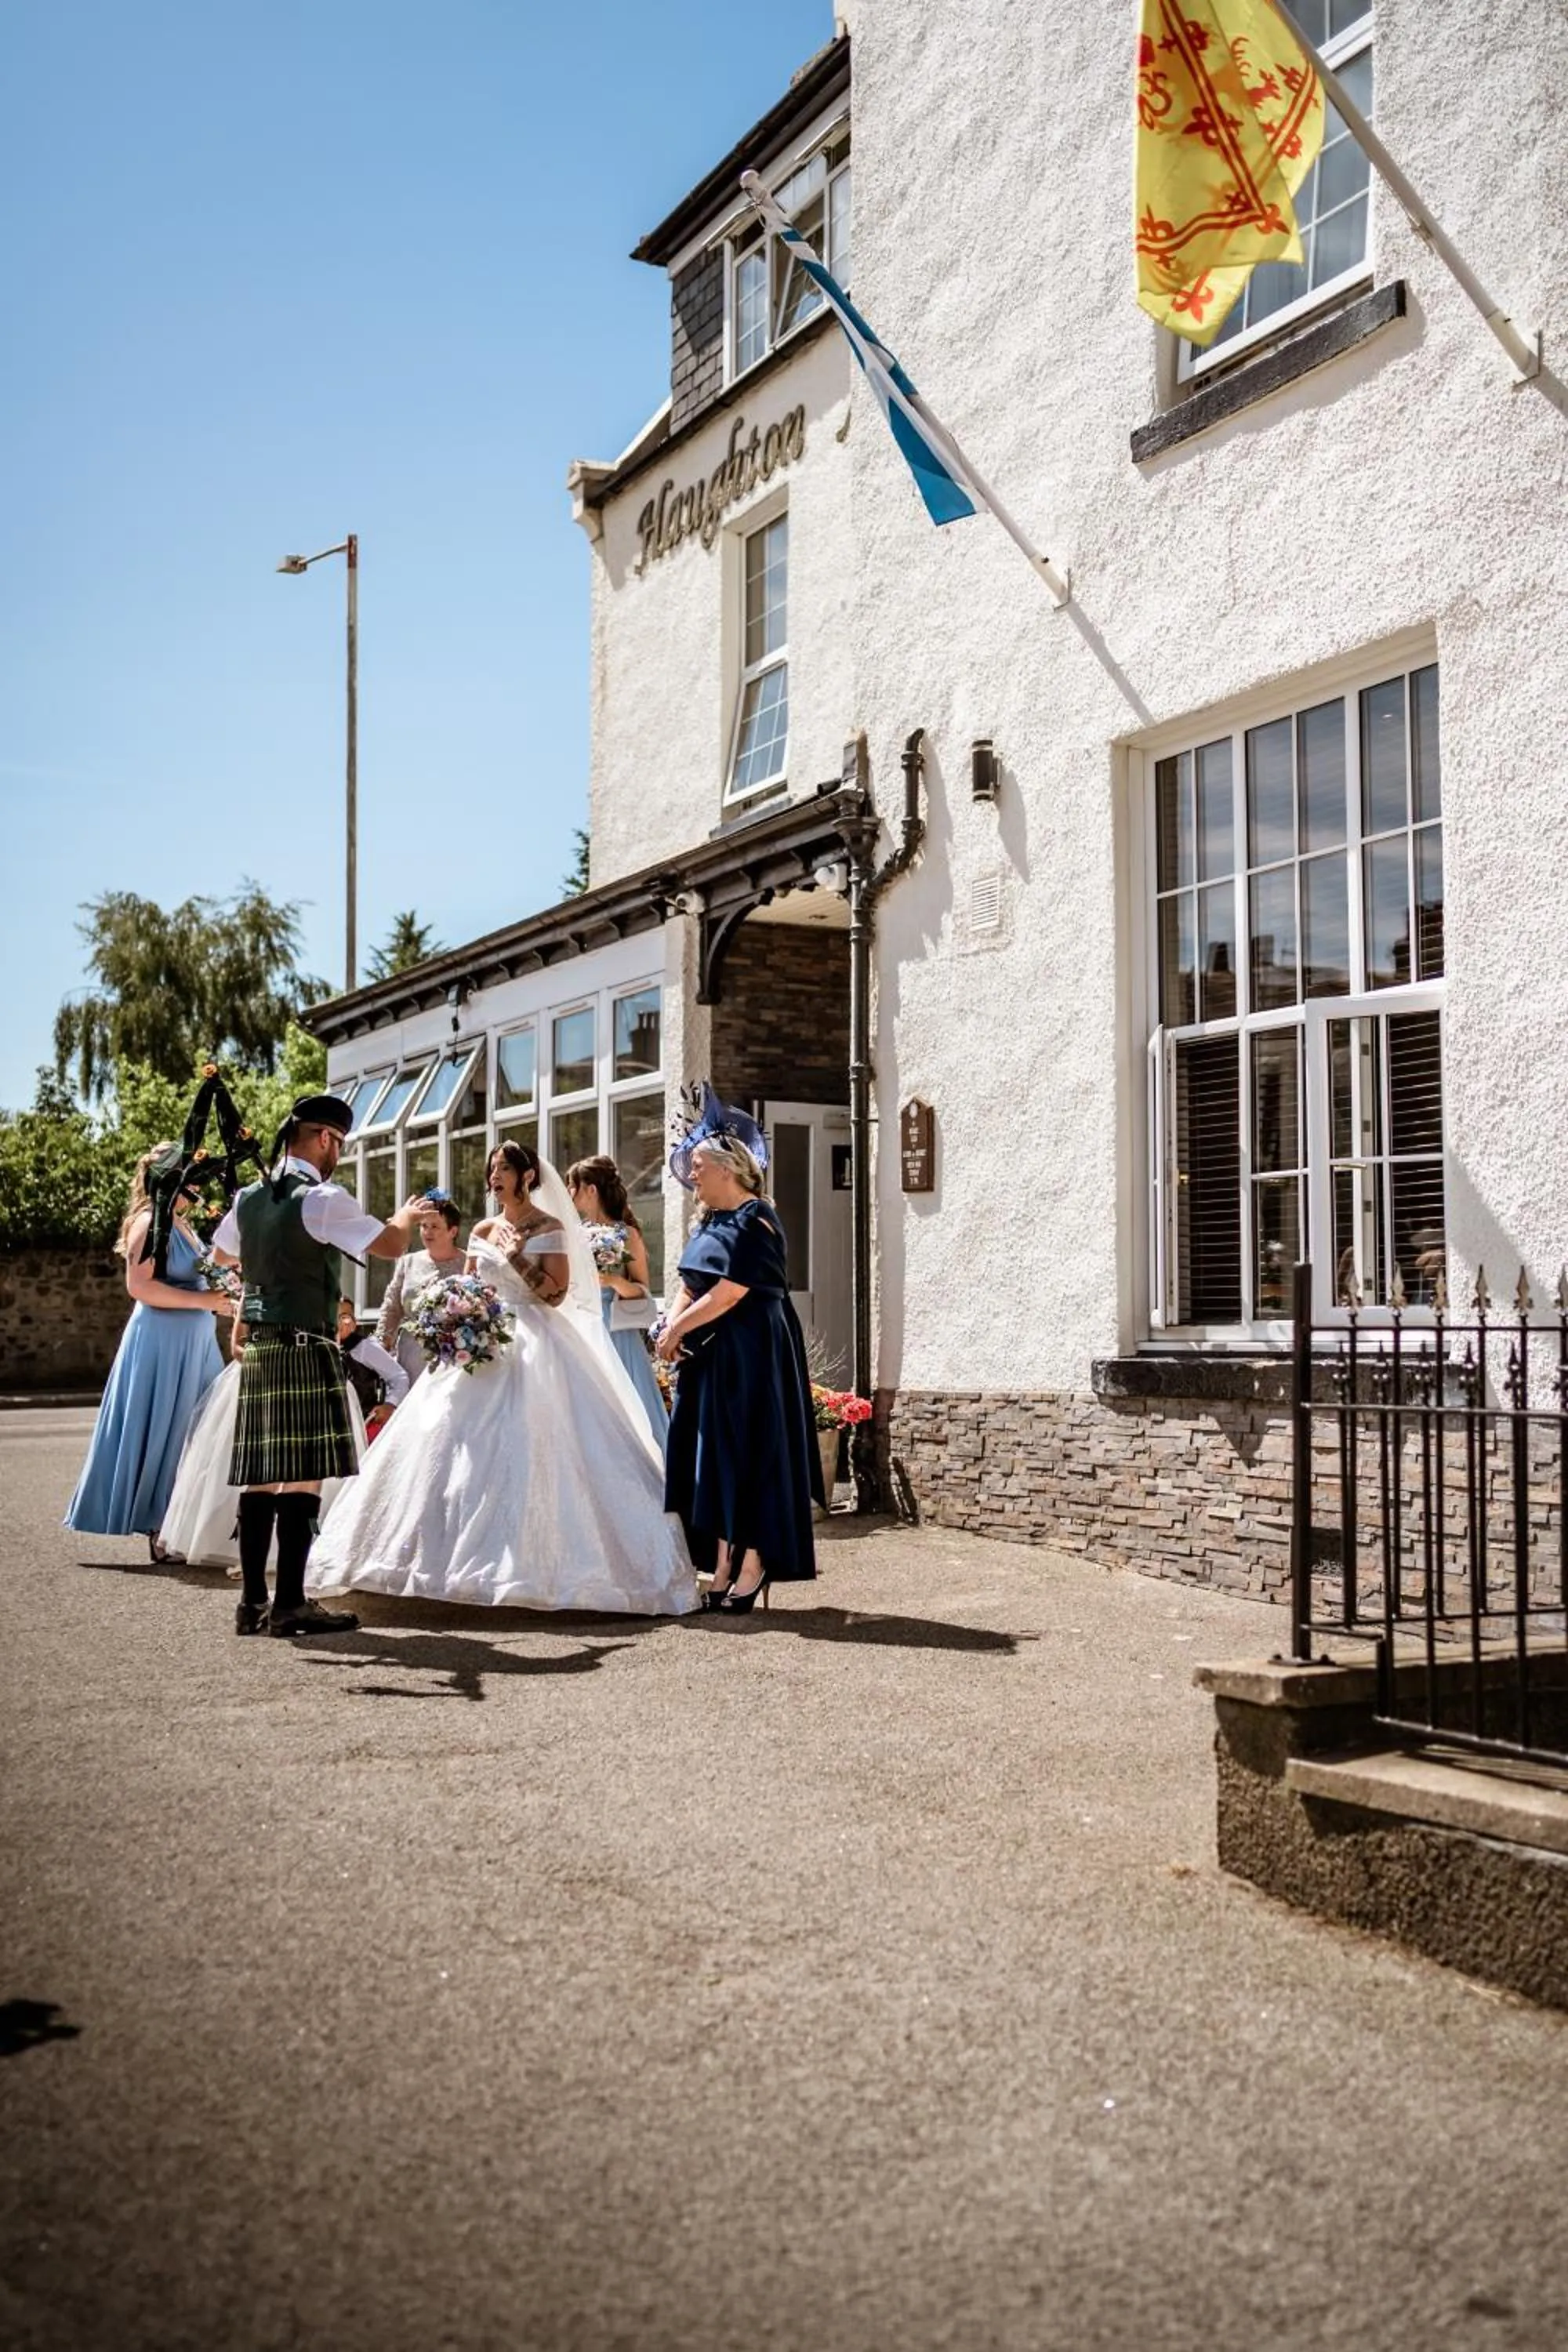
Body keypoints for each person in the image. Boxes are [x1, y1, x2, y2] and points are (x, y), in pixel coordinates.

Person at [308, 1138, 697, 1616]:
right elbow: (471, 1286)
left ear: (527, 1176)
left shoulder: (550, 1227)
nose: (493, 1178)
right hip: (482, 1342)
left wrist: (515, 1257)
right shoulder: (483, 1227)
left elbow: (555, 1295)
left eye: (502, 1170)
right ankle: (435, 1565)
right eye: (490, 1169)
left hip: (539, 1343)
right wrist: (453, 1318)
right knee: (447, 1444)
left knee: (537, 1444)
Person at [209, 1093, 425, 1639]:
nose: (339, 1156)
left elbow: (222, 1257)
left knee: (261, 1478)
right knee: (303, 1475)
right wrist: (406, 1214)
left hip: (260, 1348)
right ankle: (290, 1606)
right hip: (305, 1344)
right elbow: (392, 1245)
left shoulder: (250, 1198)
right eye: (340, 1145)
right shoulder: (323, 1198)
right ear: (326, 1139)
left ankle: (251, 1604)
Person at [657, 1089, 822, 1613]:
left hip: (753, 1354)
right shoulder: (709, 1221)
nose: (693, 1177)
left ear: (728, 1170)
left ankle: (752, 1563)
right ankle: (723, 1562)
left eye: (699, 1168)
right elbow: (693, 1279)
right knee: (715, 1457)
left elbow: (732, 1290)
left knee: (749, 1453)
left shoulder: (758, 1221)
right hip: (710, 1355)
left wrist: (677, 1329)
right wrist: (672, 1325)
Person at [65, 1150, 235, 1555]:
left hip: (195, 1342)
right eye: (188, 1178)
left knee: (198, 1428)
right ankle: (159, 1525)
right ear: (166, 1179)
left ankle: (180, 1520)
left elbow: (200, 1273)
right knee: (167, 1427)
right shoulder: (148, 1222)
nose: (196, 1186)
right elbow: (140, 1286)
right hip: (162, 1343)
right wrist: (205, 1301)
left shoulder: (184, 1225)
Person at [158, 1315, 368, 1570]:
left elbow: (331, 1339)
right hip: (263, 1378)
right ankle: (253, 1568)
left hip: (310, 1381)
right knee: (262, 1476)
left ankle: (303, 1554)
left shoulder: (318, 1292)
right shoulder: (259, 1289)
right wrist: (269, 1362)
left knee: (307, 1480)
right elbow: (237, 1345)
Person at [566, 1152, 668, 1457]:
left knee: (631, 1414)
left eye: (572, 1187)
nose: (568, 1194)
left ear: (590, 1190)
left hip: (617, 1335)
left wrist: (610, 1281)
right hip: (581, 1331)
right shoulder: (575, 1234)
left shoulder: (627, 1234)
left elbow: (642, 1292)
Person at [375, 1192, 466, 1389]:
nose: (427, 1232)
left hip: (453, 1356)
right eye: (424, 1226)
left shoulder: (468, 1264)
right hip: (411, 1356)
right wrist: (382, 1344)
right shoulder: (408, 1262)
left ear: (453, 1231)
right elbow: (392, 1307)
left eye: (435, 1227)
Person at [336, 1296, 408, 1434]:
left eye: (345, 1317)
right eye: (335, 1316)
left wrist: (390, 1404)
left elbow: (399, 1377)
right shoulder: (320, 1347)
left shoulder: (365, 1347)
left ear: (354, 1323)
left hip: (361, 1424)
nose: (339, 1323)